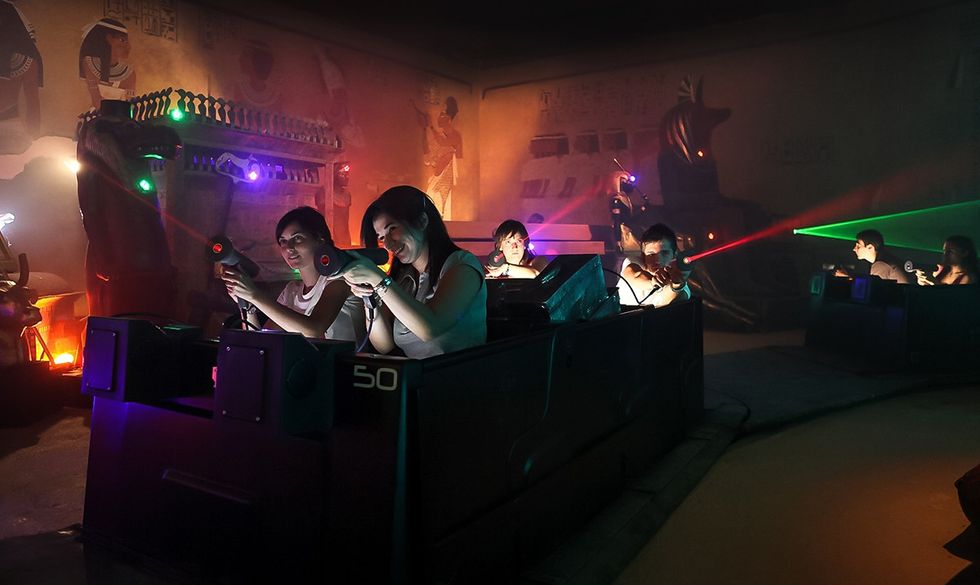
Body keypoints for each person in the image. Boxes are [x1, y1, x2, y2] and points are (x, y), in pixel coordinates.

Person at [338, 185, 486, 359]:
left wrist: (379, 281)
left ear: (422, 221)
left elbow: (431, 328)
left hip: (456, 373)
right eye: (381, 237)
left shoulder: (462, 266)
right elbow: (384, 345)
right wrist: (369, 298)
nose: (388, 244)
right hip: (414, 373)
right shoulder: (403, 280)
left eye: (392, 229)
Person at [221, 206, 365, 341]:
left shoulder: (340, 280)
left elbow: (314, 330)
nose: (288, 247)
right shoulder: (291, 290)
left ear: (320, 239)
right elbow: (263, 341)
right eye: (283, 241)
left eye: (297, 238)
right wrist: (248, 306)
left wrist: (254, 295)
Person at [618, 223, 691, 308]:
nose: (657, 260)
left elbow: (665, 302)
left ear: (674, 255)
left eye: (664, 253)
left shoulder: (681, 287)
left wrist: (676, 286)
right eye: (651, 254)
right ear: (643, 255)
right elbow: (634, 276)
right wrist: (653, 282)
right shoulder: (633, 262)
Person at [78, 19, 136, 109]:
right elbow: (97, 102)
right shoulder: (89, 63)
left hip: (120, 116)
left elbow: (130, 106)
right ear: (109, 39)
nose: (128, 46)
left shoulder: (129, 73)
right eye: (122, 40)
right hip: (97, 116)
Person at [836, 229, 910, 283]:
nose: (854, 249)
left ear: (870, 247)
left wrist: (847, 278)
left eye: (858, 246)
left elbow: (874, 291)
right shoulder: (886, 260)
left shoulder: (881, 265)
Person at [485, 219, 549, 279]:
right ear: (500, 246)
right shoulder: (494, 271)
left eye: (519, 241)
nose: (514, 247)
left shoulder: (539, 261)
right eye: (508, 242)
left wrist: (505, 269)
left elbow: (536, 275)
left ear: (525, 244)